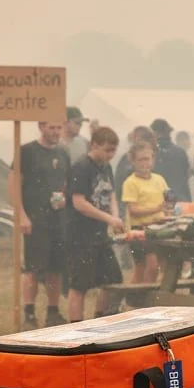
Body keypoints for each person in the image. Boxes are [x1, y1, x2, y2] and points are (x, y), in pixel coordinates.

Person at [7, 121, 70, 328]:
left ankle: (53, 312)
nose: (56, 132)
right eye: (52, 127)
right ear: (41, 127)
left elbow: (66, 183)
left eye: (58, 128)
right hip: (35, 220)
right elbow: (13, 183)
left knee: (56, 268)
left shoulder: (63, 153)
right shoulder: (27, 151)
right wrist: (21, 215)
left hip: (58, 219)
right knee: (33, 268)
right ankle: (29, 313)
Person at [67, 126, 126, 322]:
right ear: (94, 145)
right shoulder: (82, 167)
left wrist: (115, 216)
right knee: (80, 284)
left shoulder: (106, 166)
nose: (111, 155)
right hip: (81, 234)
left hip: (101, 234)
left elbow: (111, 195)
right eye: (107, 150)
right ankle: (74, 326)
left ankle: (100, 320)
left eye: (113, 150)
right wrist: (109, 218)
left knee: (113, 279)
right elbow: (79, 203)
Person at [120, 141, 170, 283]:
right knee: (149, 266)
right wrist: (158, 208)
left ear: (153, 159)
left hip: (160, 228)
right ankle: (143, 298)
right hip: (140, 231)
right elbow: (133, 210)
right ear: (133, 162)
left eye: (147, 159)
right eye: (140, 159)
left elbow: (168, 201)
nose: (144, 163)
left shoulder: (159, 179)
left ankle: (138, 300)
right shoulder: (130, 182)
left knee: (162, 266)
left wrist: (169, 210)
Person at [150, 118, 191, 201]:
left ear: (155, 133)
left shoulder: (151, 152)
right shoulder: (180, 152)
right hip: (180, 199)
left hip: (158, 201)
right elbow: (186, 177)